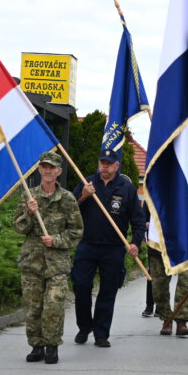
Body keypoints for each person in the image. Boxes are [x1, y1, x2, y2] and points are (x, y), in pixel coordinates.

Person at [70, 148, 145, 348]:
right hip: (87, 245)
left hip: (113, 248)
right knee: (81, 286)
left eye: (109, 163)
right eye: (102, 162)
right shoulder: (87, 183)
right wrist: (84, 196)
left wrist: (135, 243)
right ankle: (84, 327)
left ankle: (101, 333)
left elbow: (138, 220)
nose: (105, 166)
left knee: (108, 291)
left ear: (116, 166)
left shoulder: (126, 187)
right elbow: (68, 212)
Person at [13, 151, 83, 364]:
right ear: (40, 170)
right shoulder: (29, 195)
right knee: (33, 306)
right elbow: (19, 227)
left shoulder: (68, 199)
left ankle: (52, 345)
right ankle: (36, 346)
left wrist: (56, 240)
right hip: (32, 260)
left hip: (57, 263)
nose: (48, 171)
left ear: (59, 171)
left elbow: (76, 231)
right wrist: (30, 213)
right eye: (44, 167)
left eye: (52, 167)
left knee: (54, 304)